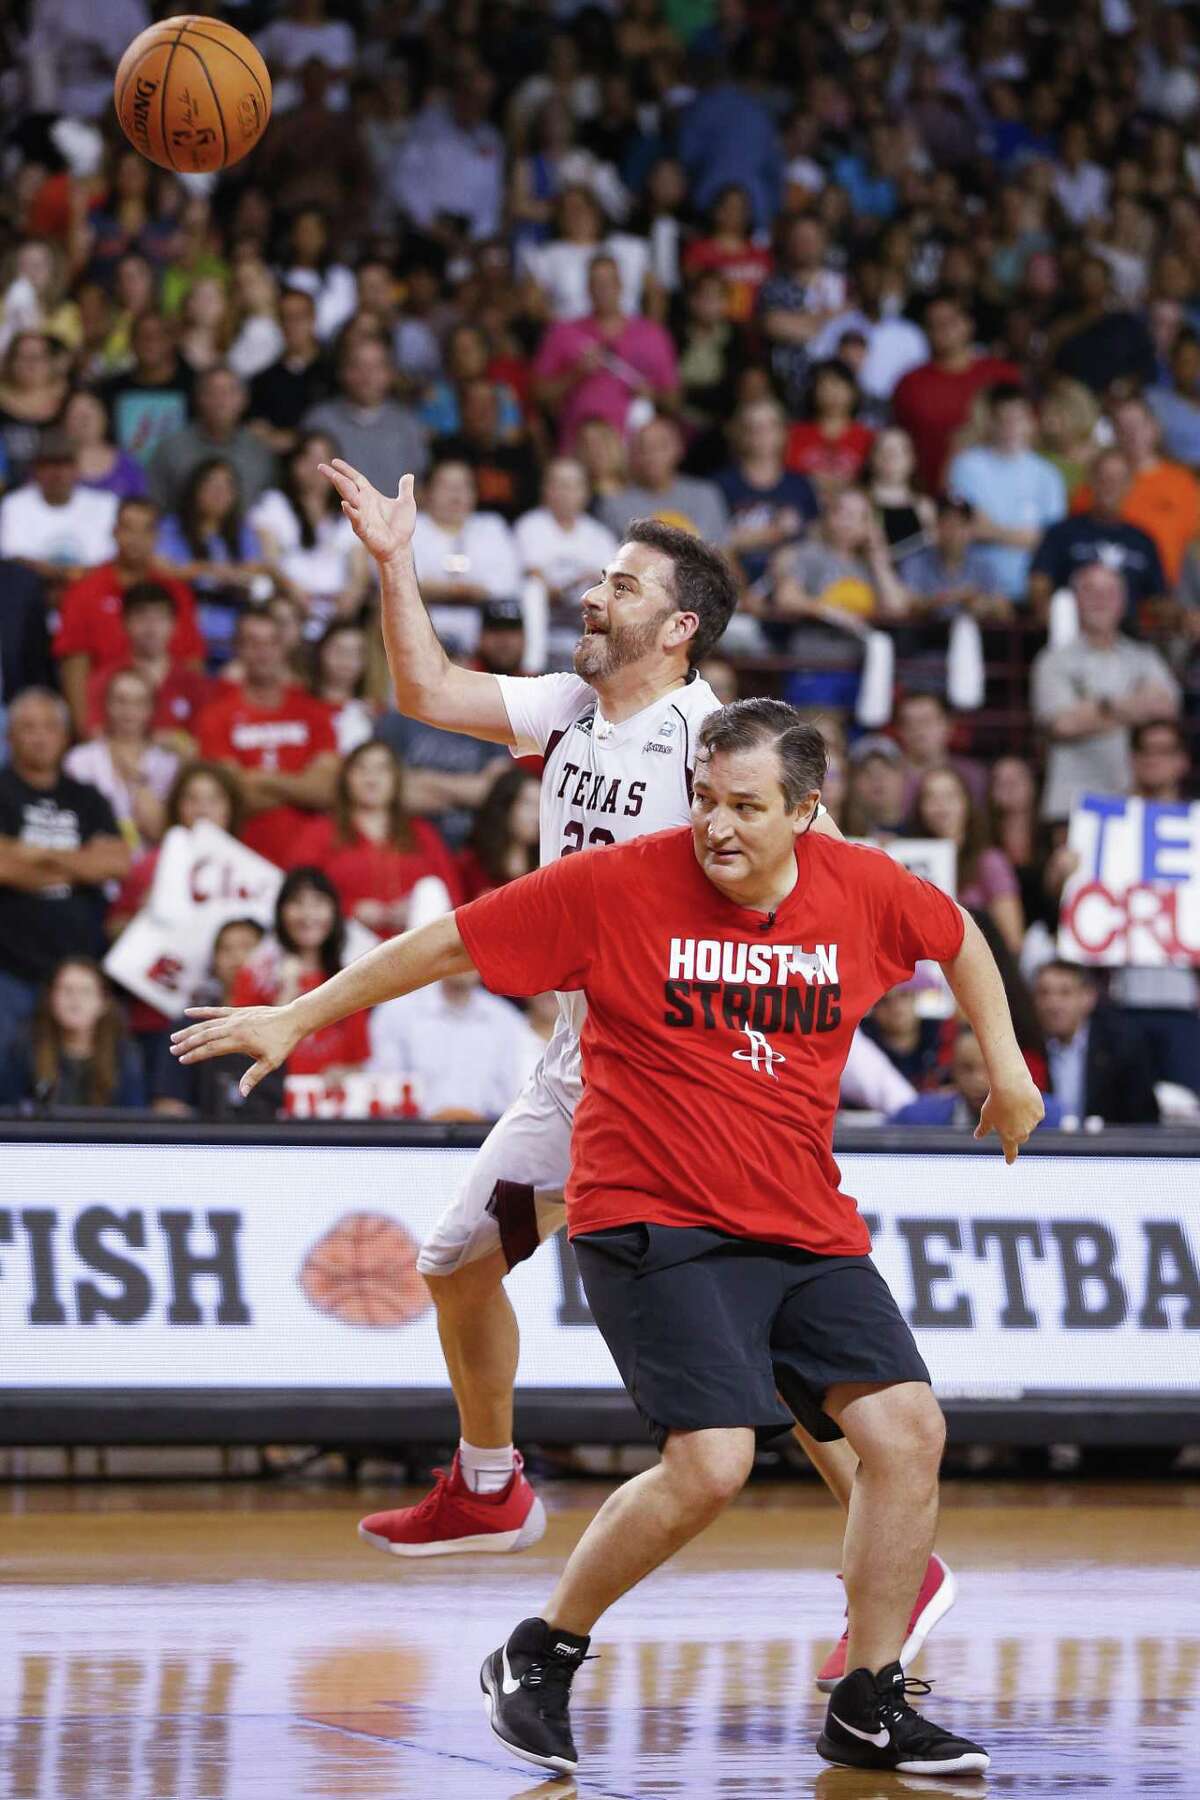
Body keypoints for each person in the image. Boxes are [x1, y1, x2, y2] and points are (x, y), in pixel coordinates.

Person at [170, 699, 1049, 1779]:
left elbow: (959, 936)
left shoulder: (860, 886)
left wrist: (1006, 1067)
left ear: (808, 814)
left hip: (800, 1218)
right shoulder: (623, 882)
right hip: (650, 1214)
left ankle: (868, 1702)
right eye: (703, 800)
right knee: (713, 1463)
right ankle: (539, 1654)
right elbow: (452, 937)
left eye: (745, 807)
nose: (716, 827)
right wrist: (299, 1015)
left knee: (910, 1433)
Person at [307, 455, 955, 1687]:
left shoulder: (708, 747)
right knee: (461, 1262)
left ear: (682, 623)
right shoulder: (565, 707)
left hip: (684, 1068)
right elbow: (426, 685)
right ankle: (492, 1485)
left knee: (766, 1341)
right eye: (600, 575)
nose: (593, 593)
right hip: (580, 1059)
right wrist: (394, 563)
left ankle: (893, 1561)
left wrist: (897, 945)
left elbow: (828, 858)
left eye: (621, 582)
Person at [0, 689, 130, 1023]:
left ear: (64, 736)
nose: (40, 737)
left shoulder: (86, 797)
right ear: (9, 736)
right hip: (11, 969)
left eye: (49, 727)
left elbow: (117, 862)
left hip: (80, 968)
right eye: (29, 728)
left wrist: (35, 854)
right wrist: (82, 862)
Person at [1031, 561, 1180, 821]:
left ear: (1122, 601)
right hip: (1071, 806)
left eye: (1109, 592)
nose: (1100, 600)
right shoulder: (1052, 661)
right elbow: (1062, 724)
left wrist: (1098, 708)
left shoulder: (1144, 656)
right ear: (1076, 600)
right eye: (1090, 591)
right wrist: (1133, 705)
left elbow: (1166, 707)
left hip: (1134, 804)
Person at [196, 608, 339, 866]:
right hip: (242, 859)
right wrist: (300, 785)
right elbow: (232, 796)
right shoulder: (216, 716)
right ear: (238, 649)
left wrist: (261, 779)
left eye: (270, 642)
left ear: (283, 648)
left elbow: (327, 790)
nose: (262, 652)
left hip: (311, 859)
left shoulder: (313, 712)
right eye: (252, 642)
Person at [53, 498, 205, 736]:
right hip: (106, 717)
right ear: (114, 532)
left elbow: (192, 662)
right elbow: (75, 668)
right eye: (128, 528)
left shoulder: (177, 591)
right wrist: (86, 733)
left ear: (157, 536)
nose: (136, 537)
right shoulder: (85, 590)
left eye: (145, 529)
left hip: (170, 723)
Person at [289, 738, 461, 934]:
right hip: (345, 941)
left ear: (396, 778)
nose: (371, 777)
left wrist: (413, 910)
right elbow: (296, 895)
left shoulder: (422, 833)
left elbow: (451, 896)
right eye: (361, 768)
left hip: (414, 942)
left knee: (430, 889)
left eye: (382, 769)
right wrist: (349, 909)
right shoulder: (320, 832)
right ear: (346, 778)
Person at [531, 253, 679, 453]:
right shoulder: (562, 332)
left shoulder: (652, 334)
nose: (603, 289)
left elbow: (674, 399)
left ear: (621, 285)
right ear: (587, 288)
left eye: (609, 281)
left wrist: (653, 395)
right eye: (597, 282)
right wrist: (576, 373)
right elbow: (539, 394)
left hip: (636, 452)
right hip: (580, 448)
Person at [230, 866, 369, 1078]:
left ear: (334, 912)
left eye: (318, 902)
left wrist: (343, 1074)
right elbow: (241, 1055)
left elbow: (359, 1063)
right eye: (297, 902)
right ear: (280, 911)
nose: (308, 915)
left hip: (326, 1106)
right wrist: (284, 995)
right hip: (267, 1102)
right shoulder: (256, 975)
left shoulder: (348, 979)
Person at [945, 385, 1066, 605]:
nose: (1011, 426)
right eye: (1004, 418)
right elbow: (965, 527)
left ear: (1031, 422)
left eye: (1018, 418)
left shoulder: (1048, 474)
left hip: (1031, 592)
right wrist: (1026, 537)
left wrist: (991, 530)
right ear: (991, 421)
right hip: (974, 593)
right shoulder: (966, 466)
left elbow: (1052, 541)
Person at [369, 967, 541, 1121]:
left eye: (473, 954)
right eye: (458, 953)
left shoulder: (506, 1019)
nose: (465, 962)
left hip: (483, 1140)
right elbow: (385, 1089)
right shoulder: (395, 1013)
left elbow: (515, 1094)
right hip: (412, 1140)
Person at [891, 292, 1021, 492]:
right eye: (934, 324)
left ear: (969, 324)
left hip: (1000, 491)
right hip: (929, 493)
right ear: (925, 331)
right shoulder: (909, 383)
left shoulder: (1002, 374)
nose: (943, 329)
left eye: (951, 321)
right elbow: (900, 440)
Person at [249, 432, 371, 636]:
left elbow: (360, 572)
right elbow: (269, 562)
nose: (316, 468)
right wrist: (292, 590)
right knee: (282, 613)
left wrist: (352, 595)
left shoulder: (348, 513)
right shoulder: (274, 504)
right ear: (294, 464)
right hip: (288, 601)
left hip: (336, 607)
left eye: (324, 460)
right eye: (309, 458)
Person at [1029, 447, 1167, 624]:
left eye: (1118, 480)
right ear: (1092, 481)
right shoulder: (1062, 532)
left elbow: (1158, 598)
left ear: (1129, 485)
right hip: (1073, 635)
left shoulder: (1143, 540)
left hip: (1127, 638)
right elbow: (1039, 580)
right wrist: (1046, 609)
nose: (1110, 486)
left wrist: (1177, 615)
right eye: (1104, 478)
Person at [409, 459, 522, 658]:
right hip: (420, 636)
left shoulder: (491, 527)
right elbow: (401, 584)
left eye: (464, 486)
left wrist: (437, 589)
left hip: (484, 639)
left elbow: (507, 584)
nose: (456, 495)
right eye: (446, 486)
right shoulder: (411, 527)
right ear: (426, 492)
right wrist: (464, 591)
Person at [514, 457, 619, 670]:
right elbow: (533, 575)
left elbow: (611, 581)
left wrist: (592, 583)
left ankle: (607, 662)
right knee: (532, 590)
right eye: (559, 484)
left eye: (573, 485)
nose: (565, 493)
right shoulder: (530, 525)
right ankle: (531, 665)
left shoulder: (600, 535)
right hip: (546, 607)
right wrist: (569, 586)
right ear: (545, 489)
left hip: (585, 610)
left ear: (586, 492)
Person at [0, 957, 145, 1109]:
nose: (75, 1001)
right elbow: (10, 1115)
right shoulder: (25, 1047)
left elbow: (133, 1119)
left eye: (85, 992)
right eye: (66, 990)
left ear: (104, 1003)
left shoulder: (124, 1054)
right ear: (51, 998)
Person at [909, 766, 1024, 957]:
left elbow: (1012, 940)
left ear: (967, 804)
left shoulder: (989, 862)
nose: (941, 805)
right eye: (931, 797)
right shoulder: (908, 861)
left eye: (950, 796)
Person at [64, 666, 178, 852]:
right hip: (92, 859)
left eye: (139, 703)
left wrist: (137, 780)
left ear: (151, 708)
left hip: (148, 866)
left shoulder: (168, 764)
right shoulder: (80, 759)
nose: (129, 711)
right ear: (107, 704)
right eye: (121, 701)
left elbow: (157, 830)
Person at [1032, 961, 1160, 1125]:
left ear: (1088, 998)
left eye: (1065, 993)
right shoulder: (1023, 1047)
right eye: (1044, 993)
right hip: (1042, 1147)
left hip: (1109, 1146)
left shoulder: (1121, 1046)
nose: (1053, 1003)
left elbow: (1144, 1119)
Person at [714, 396, 818, 594]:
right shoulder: (720, 485)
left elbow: (818, 540)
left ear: (782, 432)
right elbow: (713, 541)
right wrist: (775, 532)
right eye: (753, 426)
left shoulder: (800, 485)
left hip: (794, 590)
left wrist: (795, 553)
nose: (762, 434)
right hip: (732, 590)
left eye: (770, 426)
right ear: (741, 433)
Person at [303, 335, 428, 496]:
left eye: (376, 366)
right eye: (358, 366)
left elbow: (419, 487)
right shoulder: (319, 422)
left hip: (392, 518)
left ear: (390, 374)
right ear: (343, 372)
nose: (367, 375)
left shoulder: (408, 425)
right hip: (336, 518)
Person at [147, 365, 276, 515]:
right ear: (199, 398)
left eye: (229, 392)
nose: (221, 401)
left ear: (244, 399)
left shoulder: (260, 452)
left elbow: (270, 511)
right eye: (212, 392)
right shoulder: (171, 448)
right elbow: (154, 507)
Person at [0, 427, 118, 584]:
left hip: (92, 589)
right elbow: (13, 558)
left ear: (77, 467)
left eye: (64, 463)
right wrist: (69, 574)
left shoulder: (106, 504)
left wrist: (67, 575)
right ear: (35, 469)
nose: (57, 472)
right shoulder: (14, 504)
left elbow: (110, 560)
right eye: (49, 464)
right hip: (33, 592)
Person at [891, 1023, 1061, 1131]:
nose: (978, 1080)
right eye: (967, 1068)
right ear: (953, 1072)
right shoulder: (918, 1118)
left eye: (988, 1068)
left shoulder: (1043, 1116)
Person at [598, 416, 729, 545]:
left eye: (661, 446)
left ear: (680, 449)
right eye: (643, 447)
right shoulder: (613, 505)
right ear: (632, 455)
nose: (652, 455)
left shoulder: (705, 496)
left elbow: (720, 552)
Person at [97, 311, 194, 469]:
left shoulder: (191, 385)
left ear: (170, 341)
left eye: (157, 336)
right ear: (132, 343)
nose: (149, 343)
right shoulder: (112, 389)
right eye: (142, 336)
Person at [247, 286, 333, 455]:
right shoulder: (263, 380)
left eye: (299, 317)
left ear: (313, 319)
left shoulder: (335, 373)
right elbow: (256, 431)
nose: (292, 325)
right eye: (285, 318)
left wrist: (294, 439)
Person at [894, 691, 987, 813]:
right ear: (900, 731)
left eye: (926, 721)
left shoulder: (973, 776)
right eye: (909, 723)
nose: (917, 730)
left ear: (948, 726)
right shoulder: (888, 780)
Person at [457, 766, 542, 900]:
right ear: (505, 806)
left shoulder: (544, 869)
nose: (537, 816)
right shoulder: (470, 865)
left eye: (541, 806)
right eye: (529, 804)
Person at [61, 390, 148, 502]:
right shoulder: (51, 465)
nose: (84, 420)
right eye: (76, 415)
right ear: (64, 421)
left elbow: (143, 510)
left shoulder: (130, 466)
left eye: (90, 412)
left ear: (105, 417)